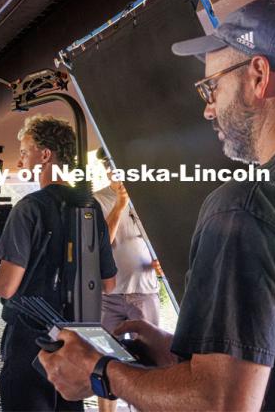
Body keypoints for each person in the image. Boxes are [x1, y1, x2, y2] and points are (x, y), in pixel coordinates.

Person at [39, 0, 275, 411]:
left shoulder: (246, 206)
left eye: (212, 87)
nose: (209, 110)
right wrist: (185, 355)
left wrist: (102, 372)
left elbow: (222, 403)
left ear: (259, 75)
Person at [0, 113, 117, 412]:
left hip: (29, 342)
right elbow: (108, 283)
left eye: (25, 152)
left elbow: (7, 286)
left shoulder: (29, 209)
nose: (21, 161)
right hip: (73, 343)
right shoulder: (89, 208)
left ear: (46, 154)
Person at [94, 147, 159, 412]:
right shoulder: (97, 200)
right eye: (109, 165)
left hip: (144, 291)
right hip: (109, 297)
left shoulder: (147, 198)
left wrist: (161, 262)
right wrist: (120, 204)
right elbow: (100, 244)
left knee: (152, 361)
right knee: (104, 360)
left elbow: (157, 240)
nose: (114, 170)